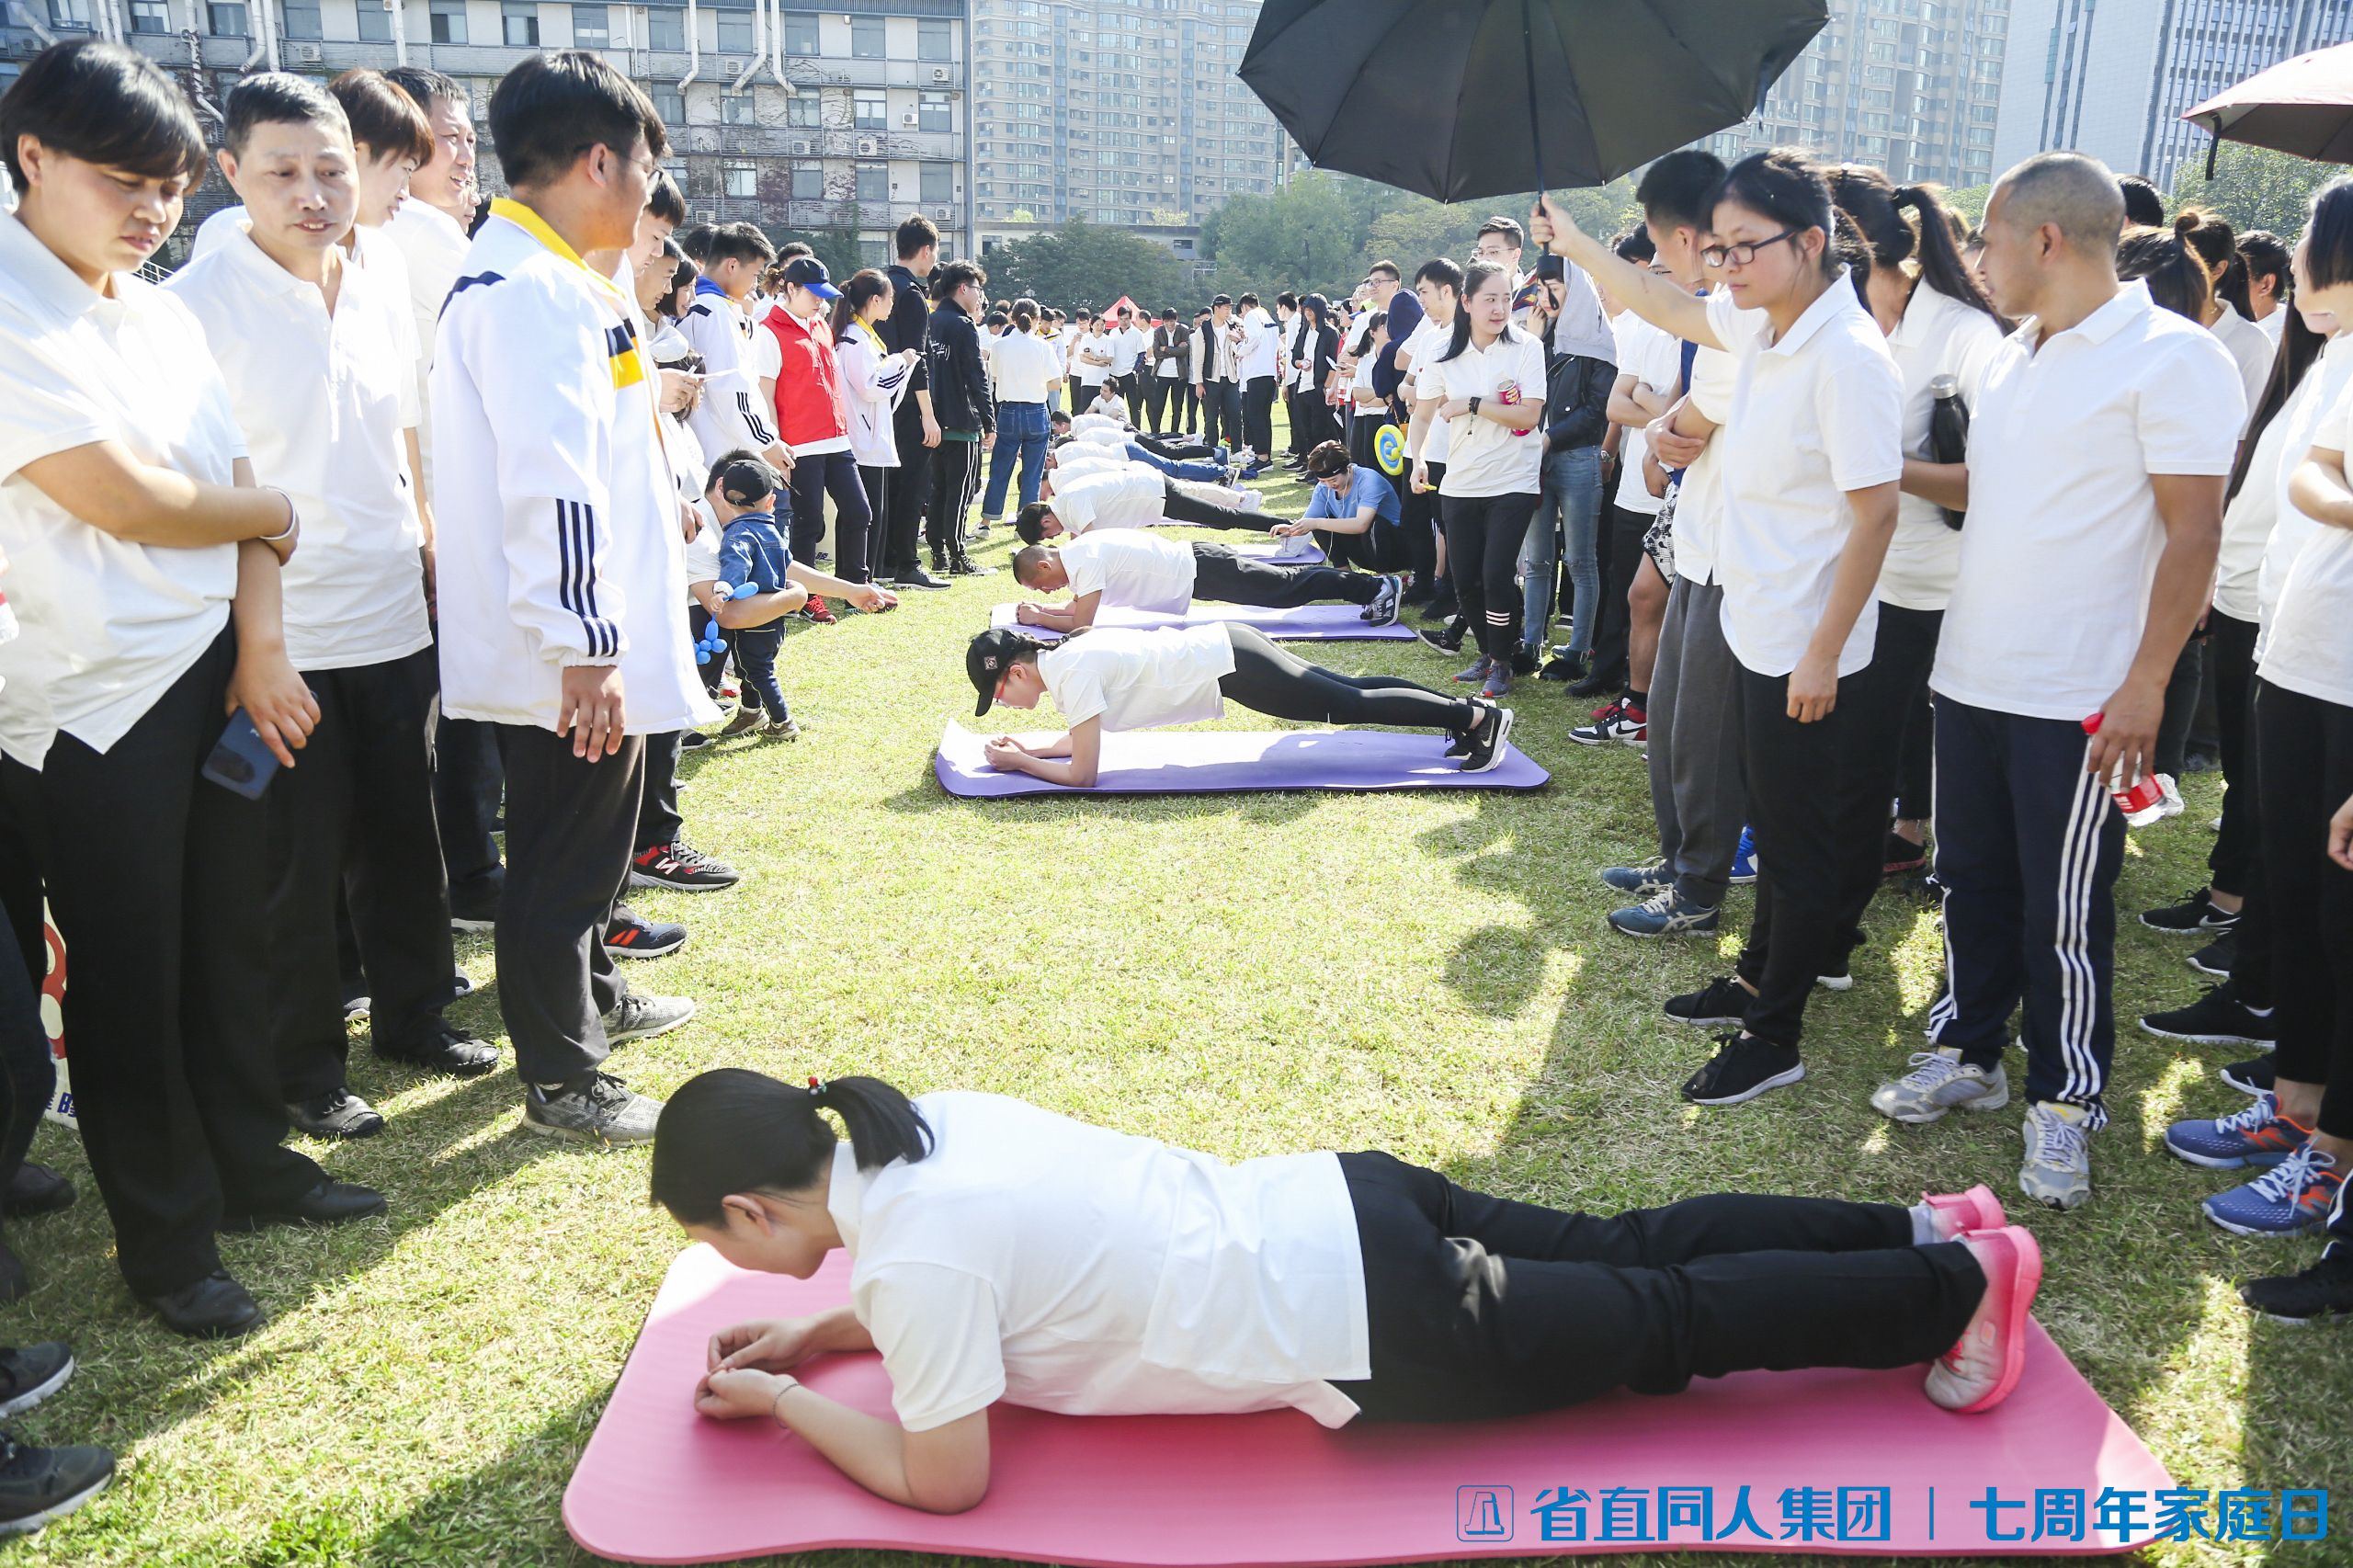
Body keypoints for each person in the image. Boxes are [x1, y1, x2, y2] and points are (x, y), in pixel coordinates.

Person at [655, 1072, 2042, 1513]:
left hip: (1367, 1316)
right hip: (1344, 1197)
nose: (737, 1259)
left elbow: (945, 1477)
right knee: (1633, 1242)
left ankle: (1954, 1288)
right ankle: (1920, 1221)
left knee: (1666, 1322)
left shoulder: (912, 1257)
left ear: (749, 1209)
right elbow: (991, 1278)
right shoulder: (918, 1123)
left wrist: (786, 1400)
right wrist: (822, 1327)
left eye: (723, 1241)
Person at [0, 38, 387, 1336]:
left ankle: (253, 1165)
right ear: (33, 156)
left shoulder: (159, 310)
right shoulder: (10, 303)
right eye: (126, 181)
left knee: (234, 941)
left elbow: (237, 501)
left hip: (215, 673)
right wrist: (265, 513)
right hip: (85, 697)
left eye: (169, 186)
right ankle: (166, 1242)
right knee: (128, 974)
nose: (152, 211)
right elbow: (132, 500)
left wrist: (262, 645)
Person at [1868, 152, 2243, 1208]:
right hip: (1971, 673)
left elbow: (2193, 533)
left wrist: (2146, 684)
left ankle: (2067, 1098)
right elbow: (1987, 487)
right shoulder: (2007, 356)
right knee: (1968, 883)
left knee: (2064, 909)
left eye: (1985, 239)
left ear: (2044, 238)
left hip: (2079, 697)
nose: (1972, 260)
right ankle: (1966, 1048)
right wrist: (1873, 465)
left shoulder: (2172, 358)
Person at [166, 73, 497, 1142]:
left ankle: (416, 1015)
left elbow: (400, 428)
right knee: (292, 862)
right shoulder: (194, 306)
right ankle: (303, 1065)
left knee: (404, 838)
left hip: (389, 607)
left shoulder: (377, 274)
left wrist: (430, 541)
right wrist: (246, 643)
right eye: (283, 172)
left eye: (330, 171)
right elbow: (192, 489)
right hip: (279, 637)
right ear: (231, 172)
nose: (312, 194)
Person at [1539, 150, 1906, 1108]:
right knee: (1773, 829)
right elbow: (1664, 304)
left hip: (1807, 643)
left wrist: (1822, 652)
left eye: (1746, 247)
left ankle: (1773, 1033)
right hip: (1754, 616)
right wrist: (1576, 244)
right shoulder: (1762, 322)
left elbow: (1876, 516)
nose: (1725, 265)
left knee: (1795, 843)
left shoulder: (1848, 355)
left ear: (1811, 242)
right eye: (1719, 247)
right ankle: (1751, 982)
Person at [431, 51, 720, 1147]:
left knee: (588, 854)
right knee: (559, 865)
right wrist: (584, 643)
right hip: (569, 649)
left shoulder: (561, 279)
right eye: (644, 164)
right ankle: (564, 1079)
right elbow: (548, 485)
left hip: (593, 633)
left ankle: (594, 1002)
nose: (649, 190)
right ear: (600, 162)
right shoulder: (530, 292)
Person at [2163, 180, 2353, 1263]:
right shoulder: (2331, 355)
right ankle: (2294, 1102)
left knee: (2341, 920)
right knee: (2299, 898)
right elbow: (2312, 477)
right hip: (2298, 659)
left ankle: (2330, 1154)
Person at [1822, 167, 2007, 887]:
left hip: (1943, 580)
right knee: (1864, 739)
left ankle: (1910, 853)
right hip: (1858, 568)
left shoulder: (1966, 335)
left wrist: (1877, 466)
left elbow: (1991, 481)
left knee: (1923, 734)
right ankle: (1867, 861)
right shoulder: (1842, 324)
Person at [965, 624, 1515, 779]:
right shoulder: (1065, 661)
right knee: (1352, 691)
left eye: (999, 694)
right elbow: (1083, 739)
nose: (1005, 704)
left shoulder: (1070, 672)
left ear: (1017, 672)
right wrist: (1034, 748)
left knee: (1349, 702)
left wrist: (1021, 763)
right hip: (1230, 648)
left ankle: (1476, 718)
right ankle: (1467, 715)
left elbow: (1084, 773)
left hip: (1232, 667)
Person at [1411, 262, 1549, 700]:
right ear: (1467, 302)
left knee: (1496, 573)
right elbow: (1423, 414)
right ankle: (1489, 655)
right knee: (1466, 579)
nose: (1500, 308)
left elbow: (1529, 415)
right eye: (1490, 299)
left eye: (1506, 298)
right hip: (1460, 482)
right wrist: (1417, 458)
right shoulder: (1442, 352)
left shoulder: (1526, 347)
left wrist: (1473, 403)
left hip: (1514, 479)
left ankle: (1503, 662)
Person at [752, 256, 872, 590]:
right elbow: (765, 395)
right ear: (791, 288)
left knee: (859, 512)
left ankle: (856, 586)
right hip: (799, 445)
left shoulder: (820, 325)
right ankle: (805, 597)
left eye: (823, 295)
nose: (820, 301)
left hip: (837, 439)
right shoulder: (769, 331)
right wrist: (774, 447)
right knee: (808, 524)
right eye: (813, 293)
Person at [1524, 258, 1618, 679]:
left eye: (1555, 286)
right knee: (1537, 560)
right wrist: (1533, 341)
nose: (1546, 297)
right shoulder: (1538, 339)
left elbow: (1598, 409)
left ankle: (1578, 650)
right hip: (1535, 458)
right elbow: (1518, 391)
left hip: (1578, 456)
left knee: (1580, 560)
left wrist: (1549, 438)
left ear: (1576, 288)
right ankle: (1530, 644)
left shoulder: (1600, 340)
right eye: (1541, 288)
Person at [1007, 531, 1399, 631]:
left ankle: (1376, 588)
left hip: (1202, 568)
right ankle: (1371, 589)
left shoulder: (1084, 560)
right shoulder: (1078, 555)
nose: (1046, 591)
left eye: (1040, 586)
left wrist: (1040, 617)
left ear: (1044, 566)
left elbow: (1082, 623)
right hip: (1200, 568)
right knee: (1287, 586)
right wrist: (1043, 610)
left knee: (1287, 588)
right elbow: (1076, 608)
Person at [832, 269, 919, 585]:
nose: (893, 303)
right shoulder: (856, 338)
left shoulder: (860, 334)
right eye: (889, 297)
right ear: (874, 300)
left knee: (863, 513)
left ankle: (857, 579)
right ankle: (857, 580)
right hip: (862, 436)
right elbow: (872, 386)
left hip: (864, 432)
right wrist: (901, 361)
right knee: (865, 514)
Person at [880, 216, 946, 591]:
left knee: (888, 484)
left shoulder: (879, 286)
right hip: (907, 404)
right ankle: (906, 562)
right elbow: (916, 361)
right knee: (912, 484)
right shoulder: (912, 294)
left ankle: (886, 559)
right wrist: (928, 414)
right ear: (925, 250)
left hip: (878, 400)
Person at [921, 260, 996, 577]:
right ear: (963, 288)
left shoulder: (930, 320)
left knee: (939, 490)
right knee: (961, 492)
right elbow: (976, 377)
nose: (980, 296)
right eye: (978, 289)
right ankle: (958, 556)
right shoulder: (964, 325)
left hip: (932, 422)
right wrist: (989, 422)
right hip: (961, 421)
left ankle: (938, 554)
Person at [1013, 465, 1284, 542]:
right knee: (1221, 517)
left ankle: (1286, 527)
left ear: (1045, 522)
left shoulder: (1069, 502)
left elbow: (1092, 542)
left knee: (1224, 518)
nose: (1053, 538)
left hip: (1155, 493)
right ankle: (1282, 525)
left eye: (1047, 536)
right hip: (1152, 490)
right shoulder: (1065, 506)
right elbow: (1079, 539)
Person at [977, 301, 1063, 530]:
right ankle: (1026, 524)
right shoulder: (1042, 346)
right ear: (1037, 319)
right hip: (1036, 410)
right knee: (1033, 474)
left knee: (1000, 470)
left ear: (1012, 319)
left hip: (1008, 410)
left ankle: (986, 522)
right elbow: (1056, 382)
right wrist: (1035, 385)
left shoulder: (999, 345)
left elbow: (995, 377)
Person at [1193, 294, 1245, 453]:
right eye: (1226, 308)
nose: (1229, 311)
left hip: (1231, 377)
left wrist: (1239, 339)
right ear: (1216, 308)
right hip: (1211, 378)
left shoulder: (1233, 327)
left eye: (1230, 308)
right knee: (1211, 417)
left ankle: (1236, 450)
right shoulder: (1204, 329)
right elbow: (1197, 358)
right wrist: (1199, 383)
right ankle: (1212, 451)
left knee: (1235, 414)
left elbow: (1240, 350)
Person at [1147, 307, 1190, 435]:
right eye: (1166, 321)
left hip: (1179, 374)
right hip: (1162, 374)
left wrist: (1166, 348)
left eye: (1172, 321)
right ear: (1163, 321)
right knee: (1158, 405)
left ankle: (1174, 433)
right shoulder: (1158, 331)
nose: (1169, 324)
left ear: (1176, 319)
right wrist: (1176, 349)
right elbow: (1156, 353)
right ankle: (1155, 432)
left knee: (1177, 407)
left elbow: (1185, 351)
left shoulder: (1183, 330)